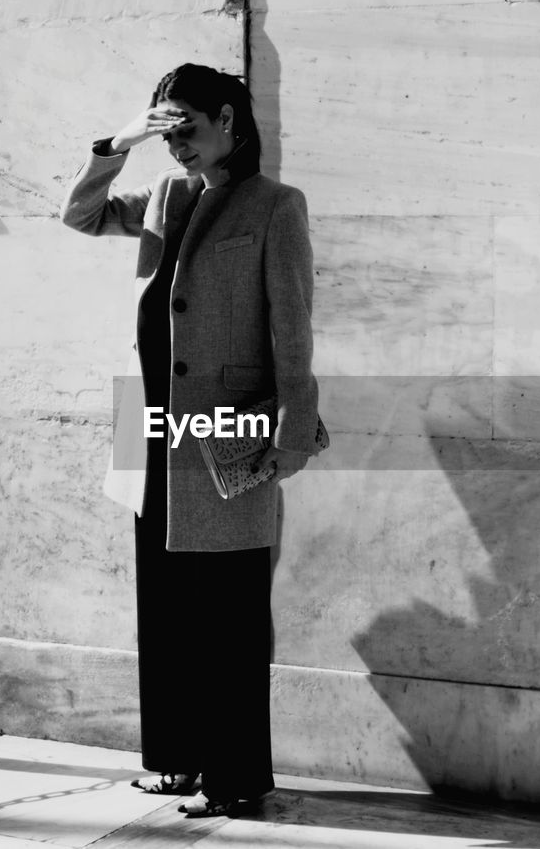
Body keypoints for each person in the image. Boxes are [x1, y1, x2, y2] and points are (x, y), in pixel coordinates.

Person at [59, 63, 322, 818]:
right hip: (144, 429)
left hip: (224, 431)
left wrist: (294, 432)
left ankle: (235, 776)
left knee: (230, 615)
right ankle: (173, 761)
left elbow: (293, 330)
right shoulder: (167, 197)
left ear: (231, 121)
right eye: (167, 131)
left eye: (189, 128)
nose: (178, 146)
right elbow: (80, 214)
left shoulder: (276, 206)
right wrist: (118, 142)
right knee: (165, 608)